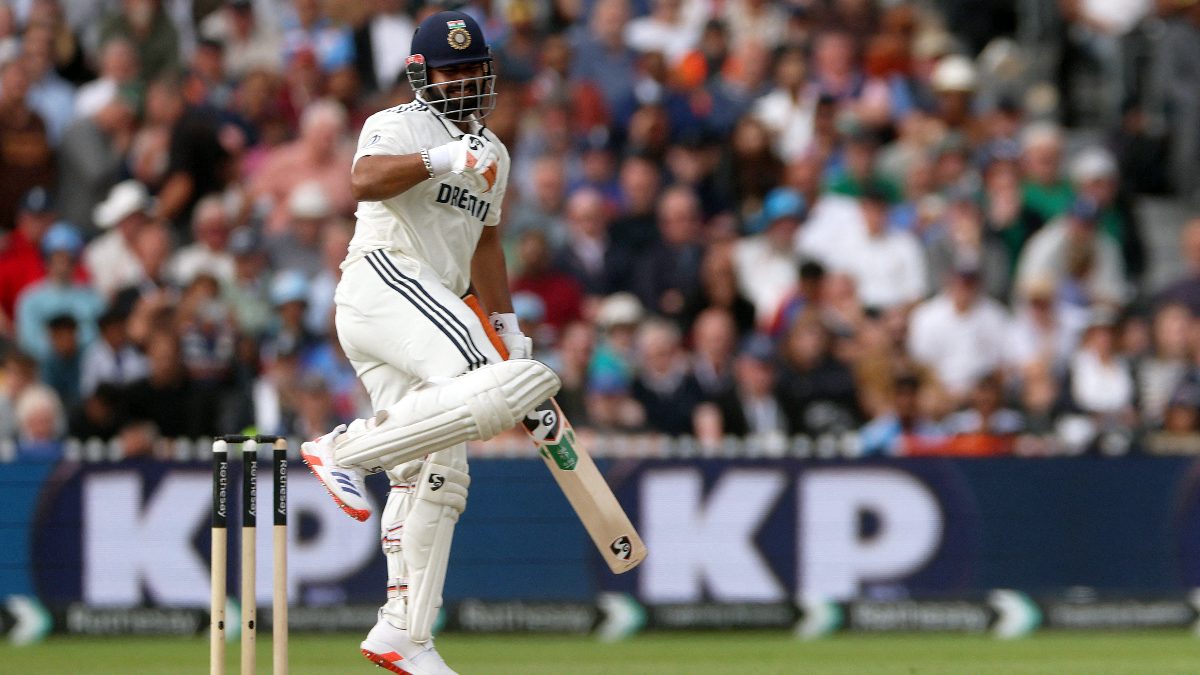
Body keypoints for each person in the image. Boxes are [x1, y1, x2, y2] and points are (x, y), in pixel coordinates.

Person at [297, 12, 560, 675]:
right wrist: (441, 157)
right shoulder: (395, 125)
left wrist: (507, 326)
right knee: (498, 384)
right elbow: (362, 181)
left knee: (438, 473)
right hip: (386, 281)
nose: (468, 82)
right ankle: (344, 448)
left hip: (430, 306)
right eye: (453, 70)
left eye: (476, 70)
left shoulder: (495, 153)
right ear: (421, 76)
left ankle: (403, 630)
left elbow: (489, 243)